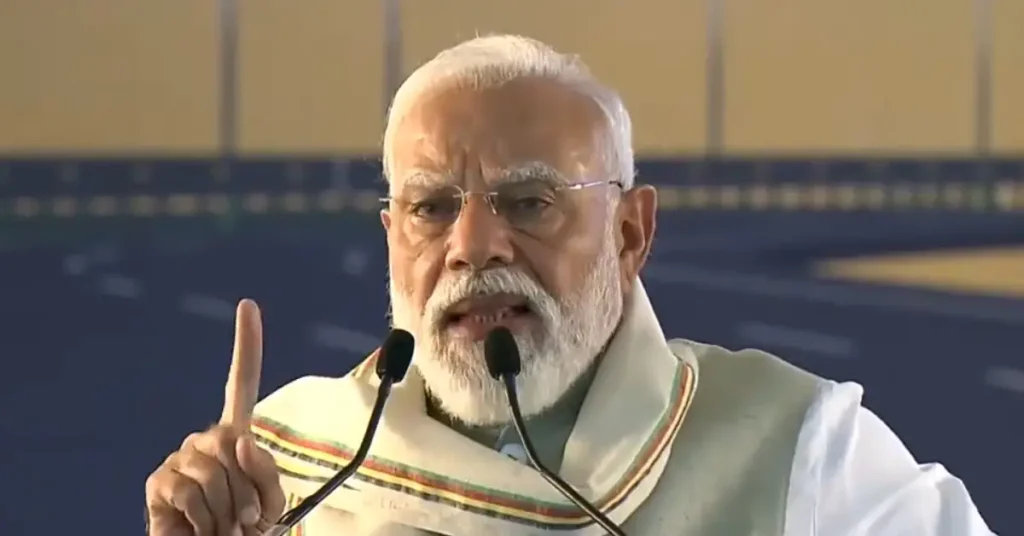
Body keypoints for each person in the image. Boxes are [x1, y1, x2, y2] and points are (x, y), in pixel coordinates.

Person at [144, 35, 996, 535]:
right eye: (431, 208)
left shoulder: (795, 451)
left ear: (631, 233)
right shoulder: (282, 465)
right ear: (391, 236)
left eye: (529, 200)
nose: (473, 246)